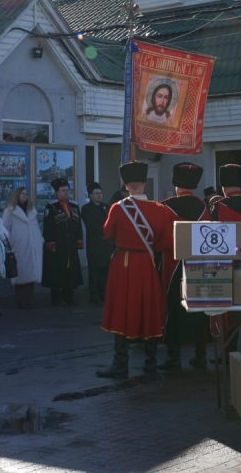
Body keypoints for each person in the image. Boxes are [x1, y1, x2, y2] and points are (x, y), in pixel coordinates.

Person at [97, 161, 173, 381]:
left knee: (122, 310)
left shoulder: (118, 208)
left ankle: (120, 364)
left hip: (124, 263)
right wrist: (150, 248)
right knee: (149, 309)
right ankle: (150, 365)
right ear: (144, 184)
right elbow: (166, 241)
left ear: (126, 185)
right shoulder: (160, 210)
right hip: (147, 263)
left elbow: (107, 233)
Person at [159, 163, 209, 372]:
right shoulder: (203, 207)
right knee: (199, 309)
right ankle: (200, 355)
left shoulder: (166, 206)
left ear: (176, 184)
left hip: (173, 265)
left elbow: (162, 240)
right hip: (197, 263)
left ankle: (173, 357)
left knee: (174, 308)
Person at [41, 178, 83, 306]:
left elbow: (78, 225)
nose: (66, 192)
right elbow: (48, 227)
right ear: (57, 193)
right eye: (63, 190)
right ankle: (56, 297)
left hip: (70, 243)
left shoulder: (74, 206)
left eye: (67, 190)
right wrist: (50, 242)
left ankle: (69, 295)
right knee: (57, 269)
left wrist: (79, 239)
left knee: (71, 269)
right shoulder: (51, 207)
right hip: (58, 243)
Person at [1, 187, 42, 309]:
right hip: (19, 246)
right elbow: (5, 227)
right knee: (21, 274)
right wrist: (10, 241)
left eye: (26, 194)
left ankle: (29, 300)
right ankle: (21, 301)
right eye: (22, 193)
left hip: (33, 246)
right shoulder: (10, 210)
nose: (25, 195)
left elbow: (35, 227)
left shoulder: (31, 209)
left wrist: (39, 240)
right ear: (17, 195)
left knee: (31, 274)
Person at [81, 182, 113, 304]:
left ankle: (103, 293)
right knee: (95, 270)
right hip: (95, 244)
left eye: (100, 193)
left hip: (106, 244)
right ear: (90, 195)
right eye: (96, 193)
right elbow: (91, 225)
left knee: (105, 270)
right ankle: (94, 295)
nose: (99, 195)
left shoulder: (106, 207)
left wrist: (109, 233)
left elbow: (111, 222)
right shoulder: (86, 209)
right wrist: (104, 232)